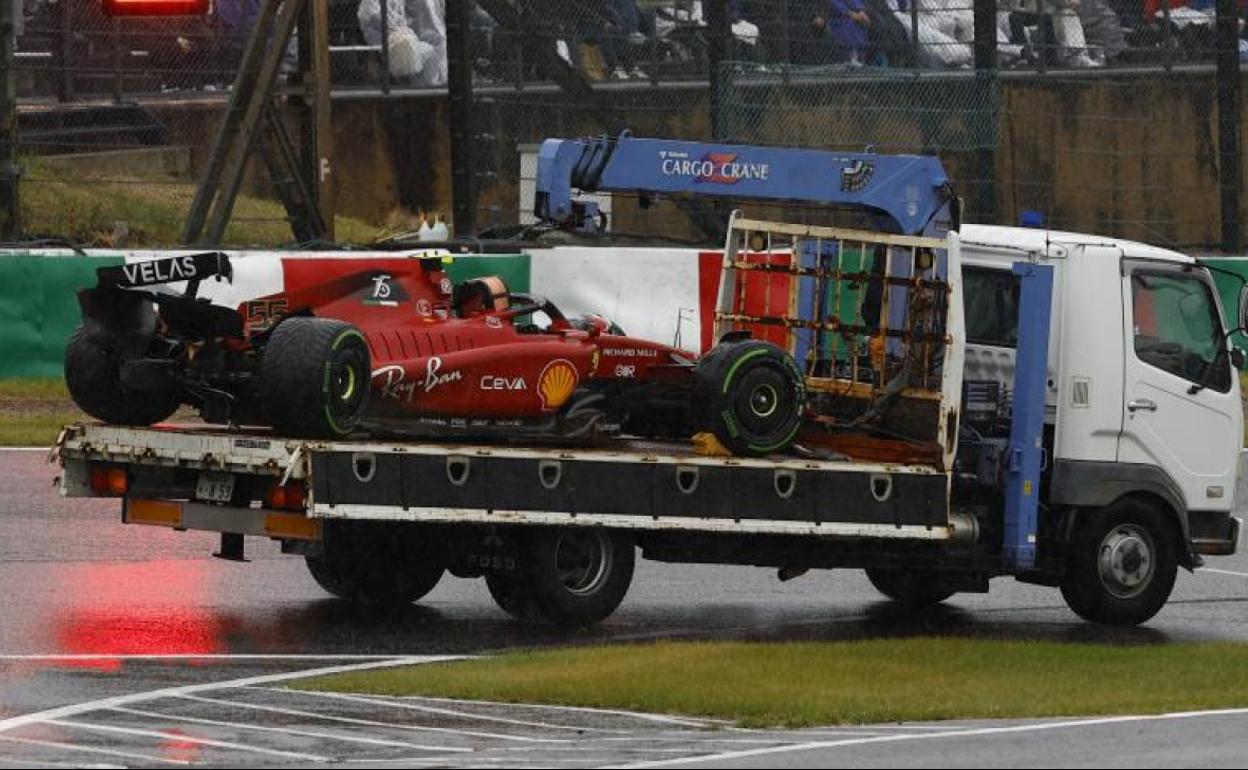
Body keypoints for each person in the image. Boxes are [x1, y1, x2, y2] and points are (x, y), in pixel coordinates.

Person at [357, 0, 447, 87]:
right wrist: (398, 30)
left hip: (432, 44)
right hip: (406, 44)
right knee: (406, 51)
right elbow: (370, 14)